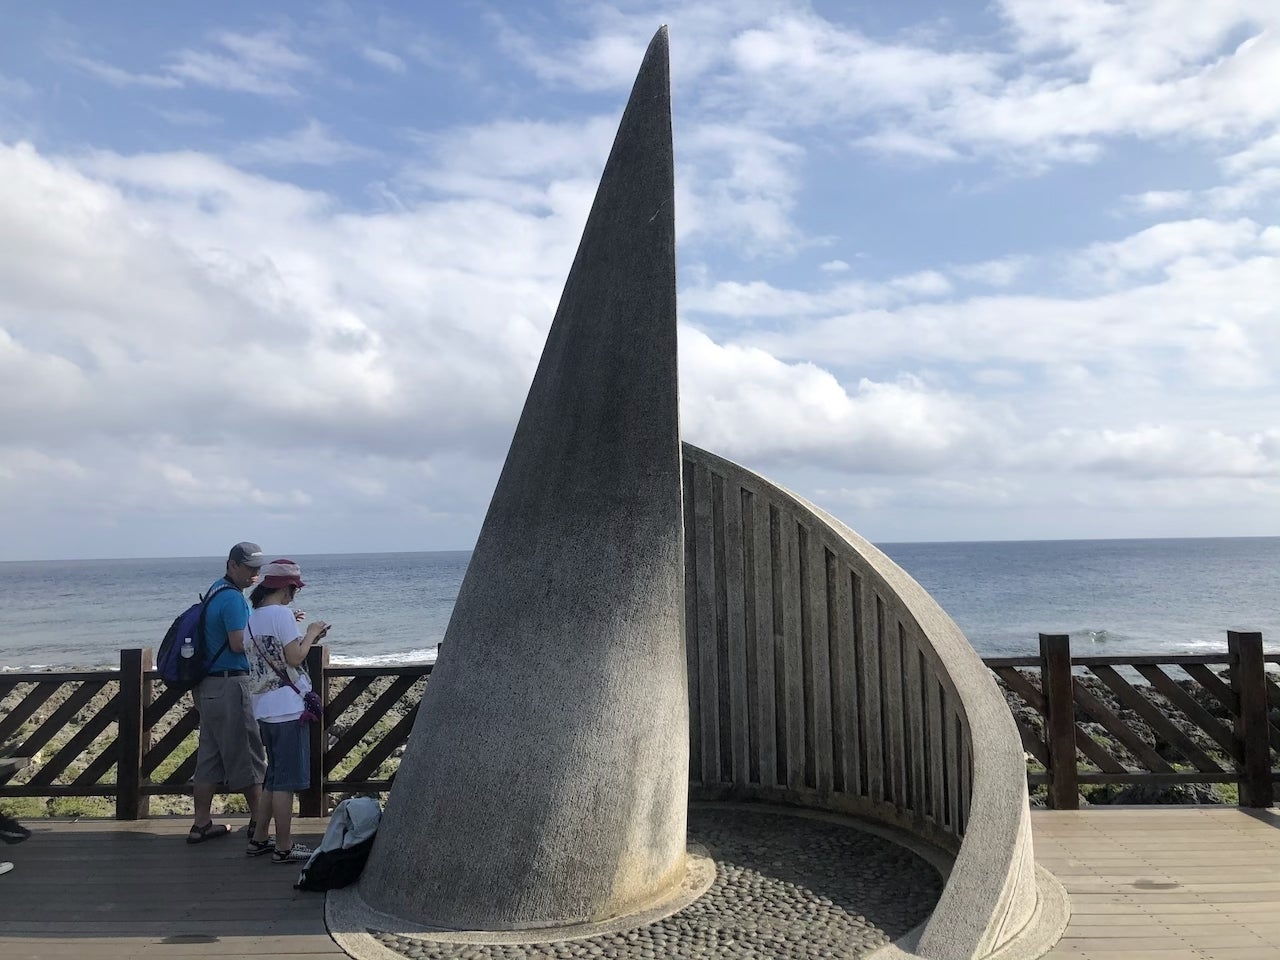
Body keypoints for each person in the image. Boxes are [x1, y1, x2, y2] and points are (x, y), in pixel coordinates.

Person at [243, 559, 329, 864]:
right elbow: (294, 658)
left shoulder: (252, 619)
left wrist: (305, 638)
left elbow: (274, 656)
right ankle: (284, 846)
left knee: (274, 777)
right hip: (287, 709)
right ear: (286, 588)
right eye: (294, 589)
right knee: (285, 783)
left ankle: (259, 839)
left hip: (263, 708)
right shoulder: (281, 614)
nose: (294, 595)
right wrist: (312, 633)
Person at [187, 542, 269, 844]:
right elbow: (238, 644)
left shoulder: (215, 590)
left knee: (210, 757)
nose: (254, 574)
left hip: (208, 686)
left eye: (258, 568)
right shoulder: (233, 598)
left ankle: (201, 824)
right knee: (249, 754)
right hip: (231, 683)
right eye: (249, 568)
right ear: (232, 565)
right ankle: (259, 825)